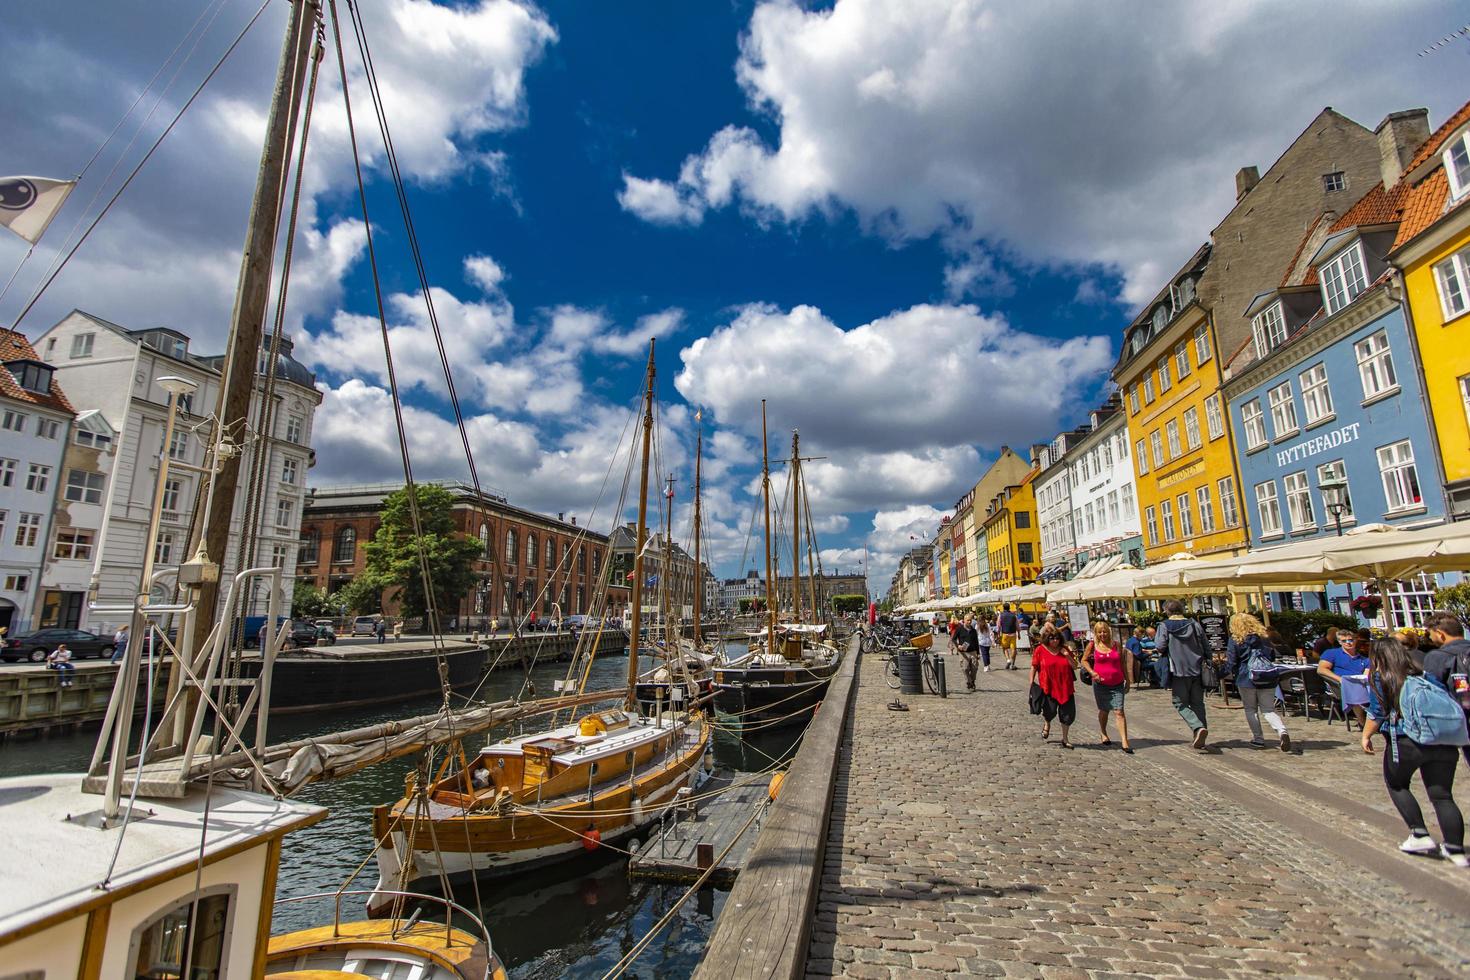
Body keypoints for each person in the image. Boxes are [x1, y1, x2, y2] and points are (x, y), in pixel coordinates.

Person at [1360, 638, 1467, 867]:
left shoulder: (1382, 676)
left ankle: (1419, 834)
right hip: (1441, 740)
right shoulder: (1425, 674)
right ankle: (1455, 849)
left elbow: (1377, 711)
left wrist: (1366, 735)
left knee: (1397, 784)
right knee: (1442, 795)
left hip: (1406, 740)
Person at [1225, 613, 1291, 752]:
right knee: (1268, 709)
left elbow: (1231, 662)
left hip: (1246, 678)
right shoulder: (1264, 638)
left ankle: (1258, 739)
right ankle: (1282, 731)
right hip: (1266, 676)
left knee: (1250, 709)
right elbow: (1272, 656)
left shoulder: (1236, 640)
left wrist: (1220, 674)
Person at [1155, 599, 1210, 750]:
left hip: (1178, 670)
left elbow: (1159, 646)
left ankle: (1198, 728)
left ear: (1167, 611)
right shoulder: (1194, 624)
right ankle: (1200, 735)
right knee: (1198, 703)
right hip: (1197, 669)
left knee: (1179, 703)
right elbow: (1206, 645)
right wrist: (1209, 661)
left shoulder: (1164, 626)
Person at [1422, 611, 1470, 764]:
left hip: (1462, 720)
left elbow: (1431, 694)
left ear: (1440, 634)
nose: (1429, 638)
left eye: (1430, 634)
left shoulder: (1437, 657)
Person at [1080, 621, 1132, 753]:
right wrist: (1092, 672)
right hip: (1100, 684)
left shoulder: (1117, 645)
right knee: (1104, 710)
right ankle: (1103, 732)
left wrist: (1128, 680)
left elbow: (1122, 663)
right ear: (1096, 633)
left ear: (1109, 632)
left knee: (1119, 711)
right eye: (1100, 632)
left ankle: (1124, 741)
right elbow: (1083, 660)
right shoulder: (1092, 645)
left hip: (1117, 682)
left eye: (1105, 631)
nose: (1103, 634)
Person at [1029, 626, 1076, 748]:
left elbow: (1075, 666)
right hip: (1048, 687)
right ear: (1046, 639)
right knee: (1049, 711)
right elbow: (1034, 666)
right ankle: (1047, 723)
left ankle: (1065, 738)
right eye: (1051, 638)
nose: (1054, 641)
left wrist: (1067, 655)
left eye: (1056, 638)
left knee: (1067, 714)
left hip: (1066, 686)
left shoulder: (1064, 649)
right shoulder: (1040, 650)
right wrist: (1031, 682)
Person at [1317, 629, 1371, 729]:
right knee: (1354, 689)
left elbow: (1366, 675)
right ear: (1339, 642)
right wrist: (1340, 679)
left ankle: (1376, 720)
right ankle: (1362, 722)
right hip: (1338, 686)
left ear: (1355, 640)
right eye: (1344, 641)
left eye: (1350, 640)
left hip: (1360, 685)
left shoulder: (1364, 659)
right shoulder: (1332, 653)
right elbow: (1321, 669)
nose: (1348, 643)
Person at [955, 615, 980, 691]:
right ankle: (969, 681)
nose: (969, 622)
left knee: (974, 668)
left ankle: (972, 681)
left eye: (970, 620)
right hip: (963, 653)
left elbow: (976, 642)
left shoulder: (973, 631)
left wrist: (978, 653)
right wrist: (958, 645)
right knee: (965, 668)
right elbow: (953, 639)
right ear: (964, 620)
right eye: (968, 620)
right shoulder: (959, 629)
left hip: (973, 651)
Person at [997, 603, 1019, 670]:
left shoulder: (1001, 615)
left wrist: (998, 633)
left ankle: (1008, 660)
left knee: (1005, 648)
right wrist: (1019, 633)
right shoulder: (1014, 615)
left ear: (1003, 608)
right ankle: (1012, 664)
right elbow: (1017, 625)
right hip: (1013, 634)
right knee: (1013, 649)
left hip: (1005, 634)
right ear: (1009, 607)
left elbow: (998, 625)